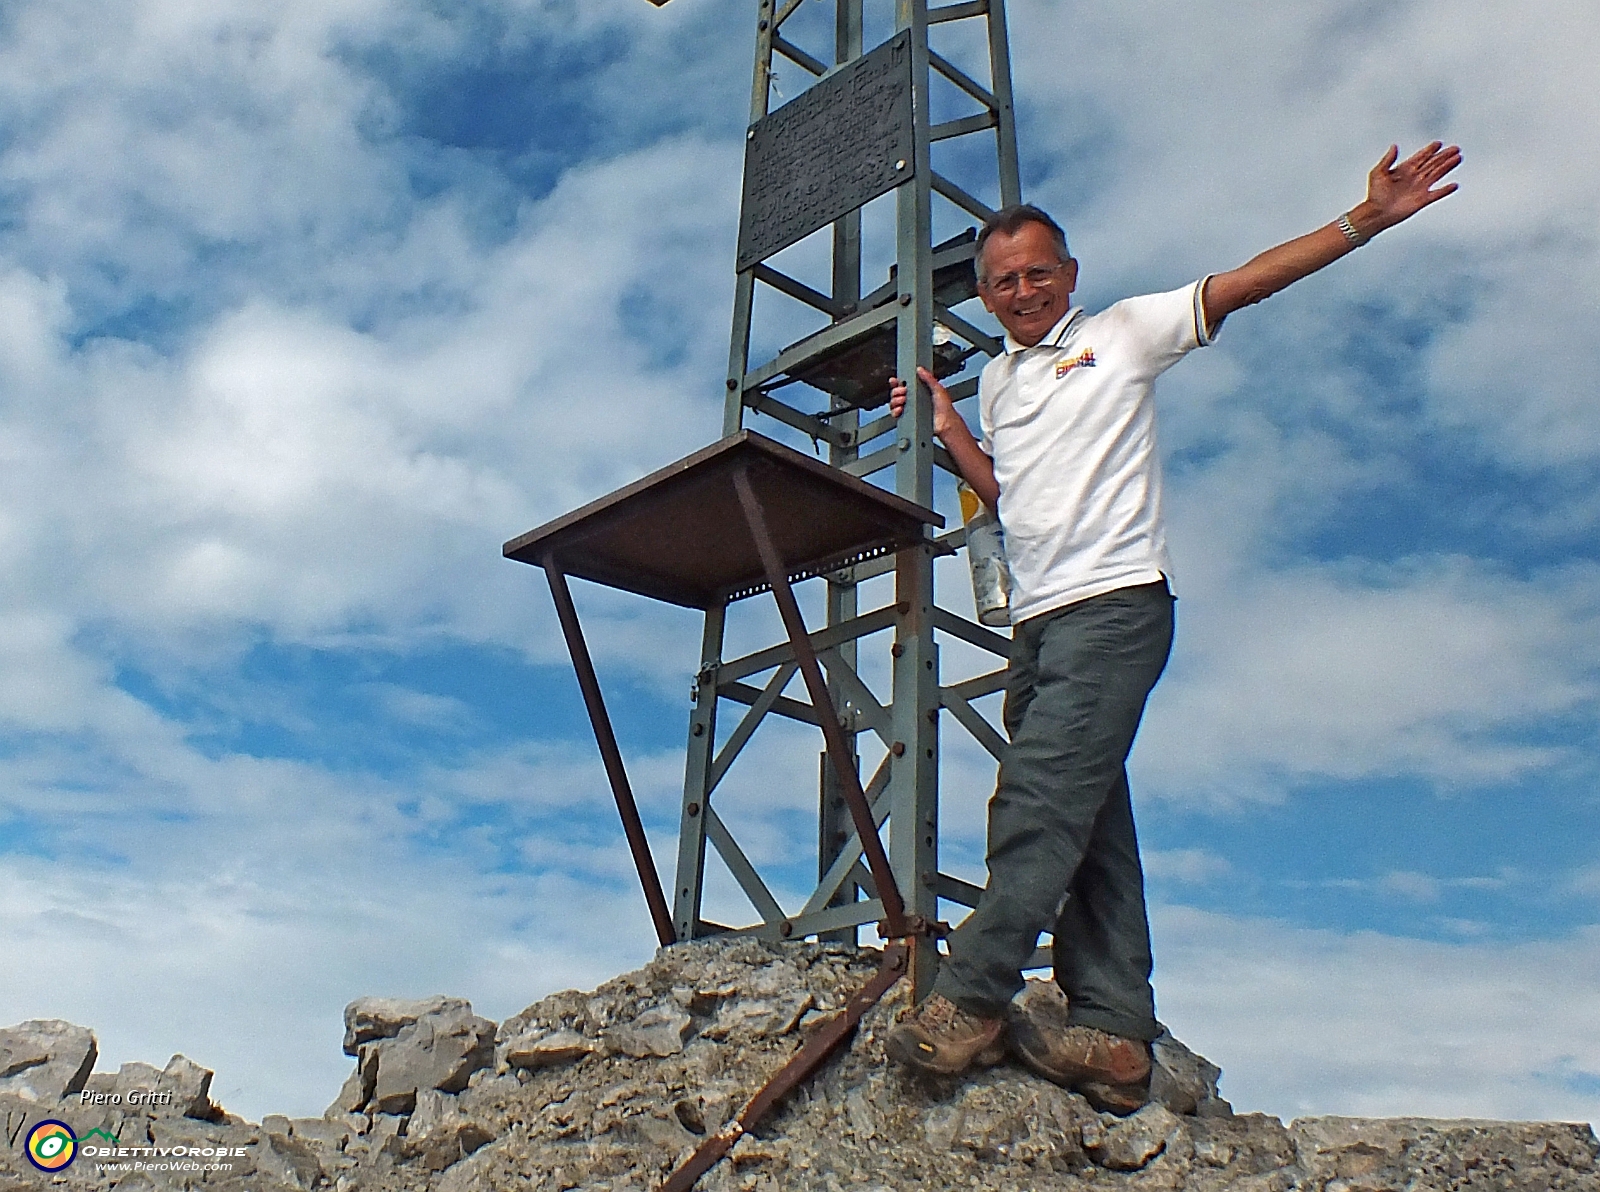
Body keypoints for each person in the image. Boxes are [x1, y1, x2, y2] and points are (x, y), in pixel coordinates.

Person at [883, 143, 1461, 1111]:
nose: (1022, 290)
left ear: (1067, 275)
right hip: (1038, 617)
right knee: (1088, 818)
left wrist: (1365, 220)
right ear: (984, 296)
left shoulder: (1123, 330)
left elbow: (1243, 282)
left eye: (1037, 272)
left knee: (1033, 804)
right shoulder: (1000, 381)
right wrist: (947, 427)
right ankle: (1112, 1035)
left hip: (1114, 606)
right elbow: (1007, 497)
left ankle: (968, 998)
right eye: (1002, 280)